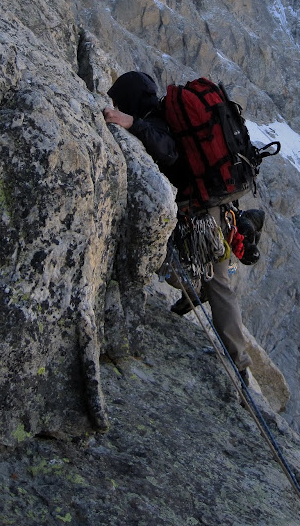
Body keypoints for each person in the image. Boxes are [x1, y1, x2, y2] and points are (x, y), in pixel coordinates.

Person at [103, 71, 256, 378]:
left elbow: (168, 152)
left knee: (213, 282)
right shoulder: (169, 116)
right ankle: (196, 291)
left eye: (120, 101)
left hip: (202, 216)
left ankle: (239, 363)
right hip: (215, 208)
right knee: (203, 274)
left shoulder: (155, 122)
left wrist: (133, 124)